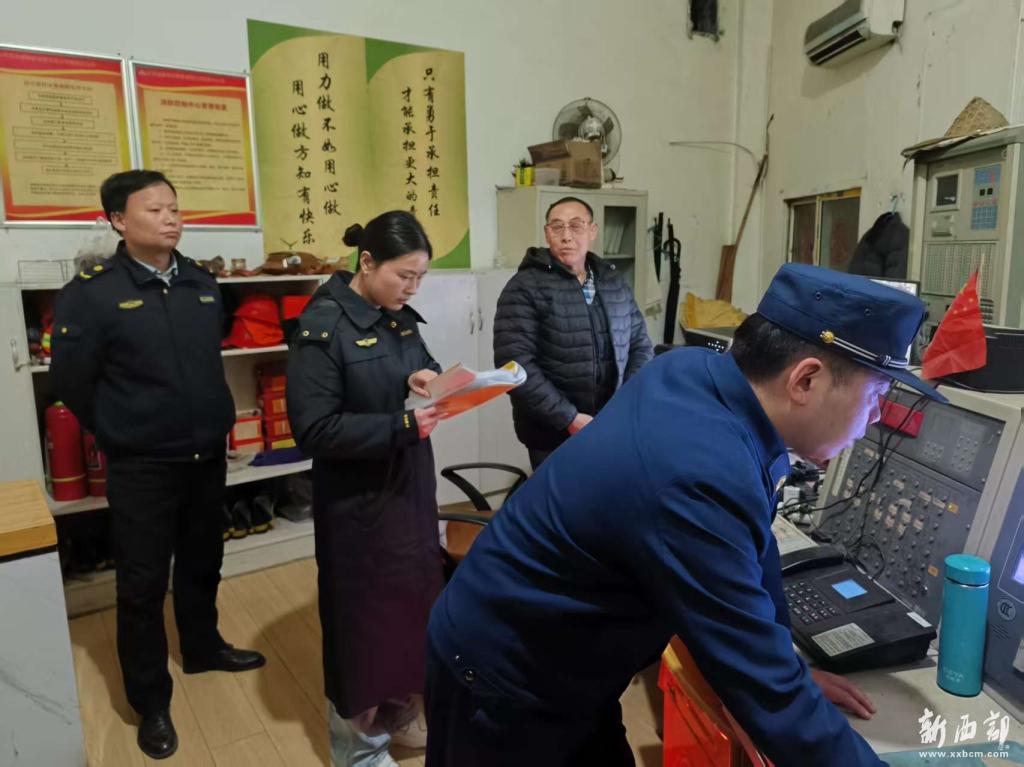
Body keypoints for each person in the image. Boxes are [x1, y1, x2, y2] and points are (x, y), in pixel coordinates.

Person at [425, 263, 949, 766]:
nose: (876, 415)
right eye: (875, 393)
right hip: (504, 677)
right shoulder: (700, 473)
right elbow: (765, 692)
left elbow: (757, 546)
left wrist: (787, 664)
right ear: (805, 380)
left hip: (567, 658)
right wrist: (782, 680)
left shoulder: (699, 374)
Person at [50, 170, 265, 760]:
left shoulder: (200, 281)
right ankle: (150, 700)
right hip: (142, 462)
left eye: (175, 207)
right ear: (119, 220)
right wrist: (121, 428)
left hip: (205, 455)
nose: (171, 218)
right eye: (155, 209)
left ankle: (202, 647)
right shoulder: (92, 292)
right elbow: (71, 379)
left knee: (202, 561)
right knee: (142, 585)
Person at [287, 211, 445, 767]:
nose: (412, 288)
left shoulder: (397, 315)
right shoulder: (322, 326)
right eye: (404, 275)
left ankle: (398, 714)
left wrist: (426, 376)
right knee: (361, 626)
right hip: (357, 501)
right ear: (368, 262)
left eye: (420, 277)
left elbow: (419, 361)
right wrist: (400, 425)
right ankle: (357, 750)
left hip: (408, 489)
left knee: (411, 608)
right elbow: (314, 429)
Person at [493, 196, 652, 468]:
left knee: (607, 493)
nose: (566, 236)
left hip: (612, 425)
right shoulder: (524, 287)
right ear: (547, 234)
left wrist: (625, 404)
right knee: (562, 495)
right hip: (551, 433)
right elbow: (515, 364)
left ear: (593, 230)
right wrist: (569, 418)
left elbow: (640, 345)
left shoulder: (613, 281)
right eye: (557, 227)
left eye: (576, 226)